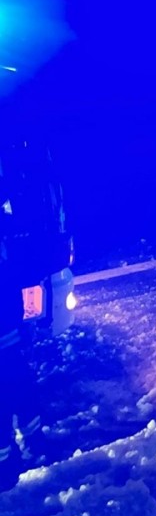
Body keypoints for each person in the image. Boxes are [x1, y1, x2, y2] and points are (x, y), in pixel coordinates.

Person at [0, 188, 44, 493]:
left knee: (22, 391)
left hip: (10, 334)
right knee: (14, 396)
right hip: (7, 336)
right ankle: (8, 465)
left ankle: (30, 447)